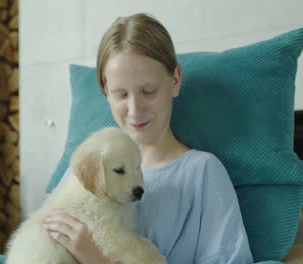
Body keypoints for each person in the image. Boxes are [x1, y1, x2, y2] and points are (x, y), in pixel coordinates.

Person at [42, 13, 254, 264]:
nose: (135, 109)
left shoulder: (202, 173)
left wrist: (96, 259)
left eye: (148, 91)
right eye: (121, 94)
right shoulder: (84, 170)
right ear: (104, 89)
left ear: (175, 80)